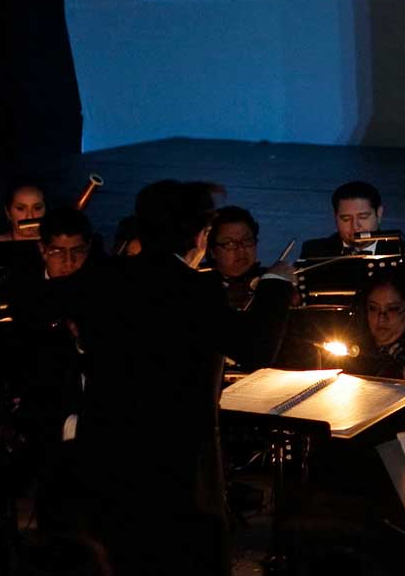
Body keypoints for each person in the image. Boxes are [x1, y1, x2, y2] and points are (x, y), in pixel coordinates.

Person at [67, 180, 294, 576]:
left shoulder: (103, 276)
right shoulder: (194, 290)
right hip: (174, 465)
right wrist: (276, 286)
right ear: (201, 234)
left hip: (106, 455)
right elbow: (255, 347)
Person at [0, 179, 46, 268]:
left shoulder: (58, 246)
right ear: (8, 212)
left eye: (37, 208)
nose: (30, 216)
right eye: (20, 209)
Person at [205, 205, 265, 309]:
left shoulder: (268, 281)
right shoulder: (198, 286)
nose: (241, 249)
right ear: (212, 251)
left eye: (247, 240)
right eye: (229, 243)